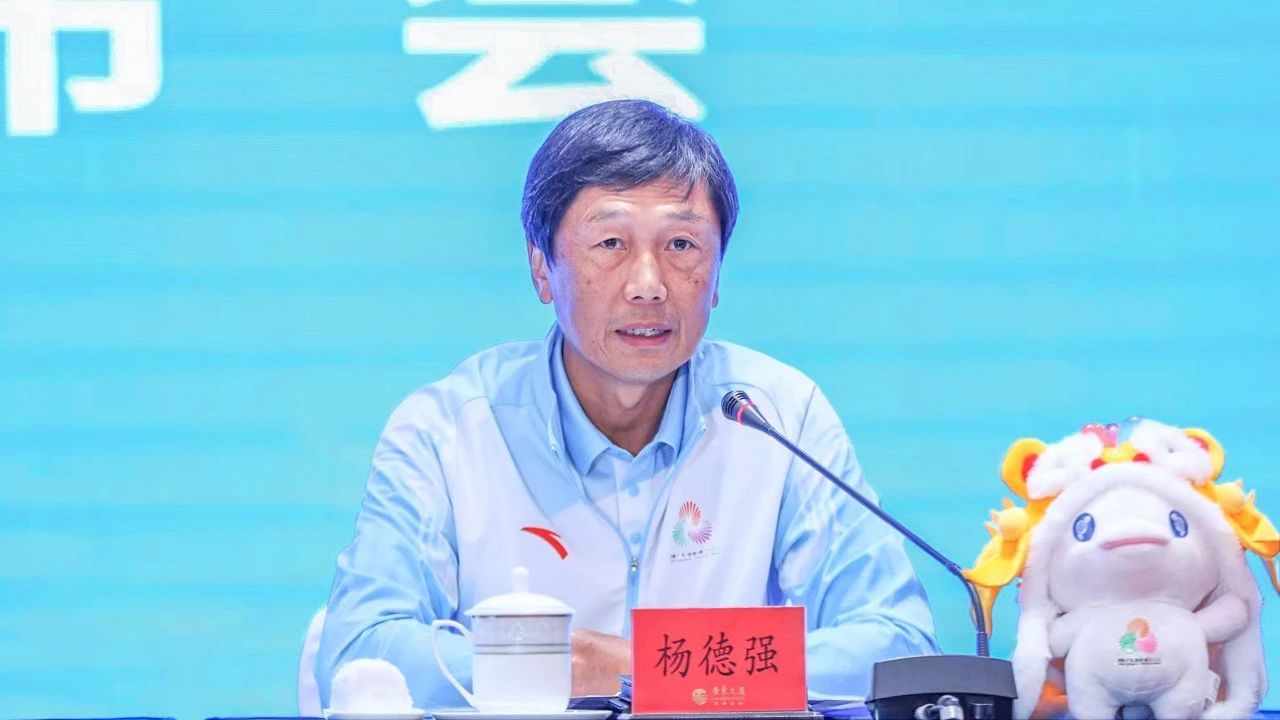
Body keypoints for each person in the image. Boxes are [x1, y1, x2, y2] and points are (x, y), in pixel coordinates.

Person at [316, 99, 939, 710]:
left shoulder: (777, 416)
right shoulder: (450, 430)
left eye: (682, 245)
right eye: (610, 242)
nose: (648, 285)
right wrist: (553, 670)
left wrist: (642, 666)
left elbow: (897, 645)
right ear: (541, 267)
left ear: (717, 275)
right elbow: (360, 652)